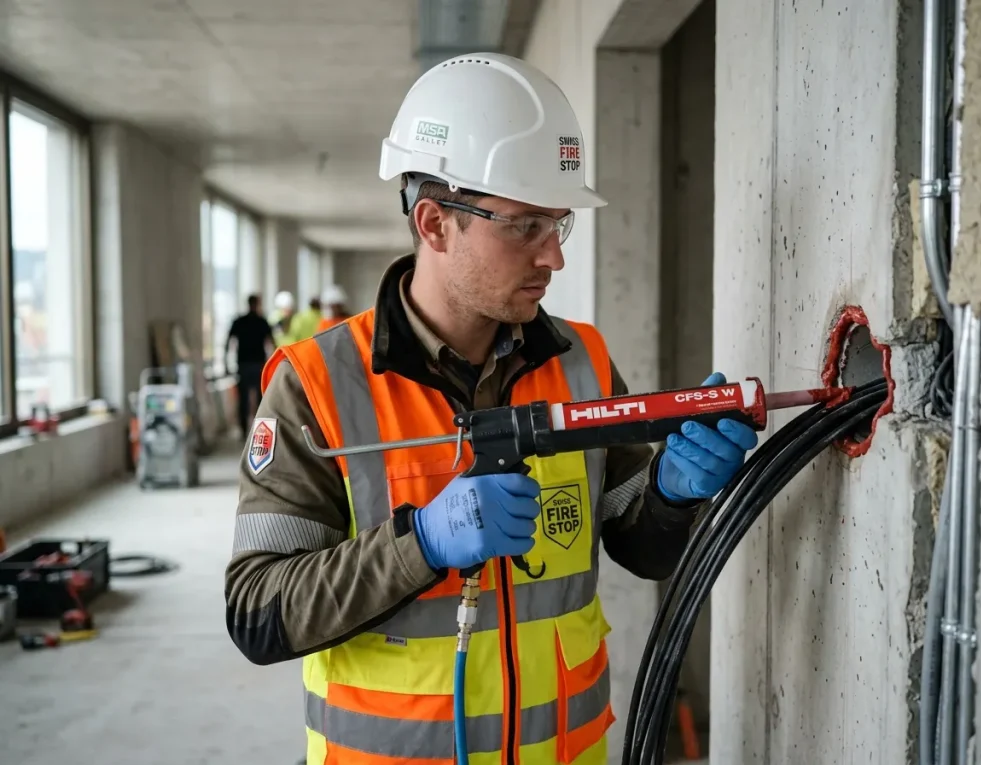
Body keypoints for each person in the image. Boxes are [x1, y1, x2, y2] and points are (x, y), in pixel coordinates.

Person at [225, 52, 758, 765]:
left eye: (558, 225)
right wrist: (421, 544)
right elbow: (258, 611)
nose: (553, 258)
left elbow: (642, 543)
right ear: (435, 222)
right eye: (524, 226)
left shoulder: (582, 362)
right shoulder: (319, 384)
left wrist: (672, 491)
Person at [224, 294, 274, 440]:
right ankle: (258, 432)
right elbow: (272, 343)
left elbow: (228, 343)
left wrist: (226, 362)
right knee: (260, 400)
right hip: (258, 365)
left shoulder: (240, 321)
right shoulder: (262, 322)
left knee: (244, 400)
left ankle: (244, 431)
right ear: (257, 304)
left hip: (245, 365)